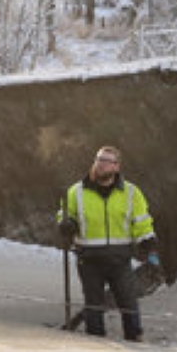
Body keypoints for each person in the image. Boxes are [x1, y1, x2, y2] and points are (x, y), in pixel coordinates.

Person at [56, 145, 157, 342]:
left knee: (128, 301)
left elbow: (141, 221)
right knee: (93, 303)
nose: (100, 165)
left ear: (116, 167)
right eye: (98, 160)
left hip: (120, 258)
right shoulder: (76, 191)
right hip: (88, 258)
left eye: (106, 161)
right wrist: (66, 224)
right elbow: (65, 214)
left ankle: (134, 337)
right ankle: (96, 342)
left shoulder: (131, 193)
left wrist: (147, 240)